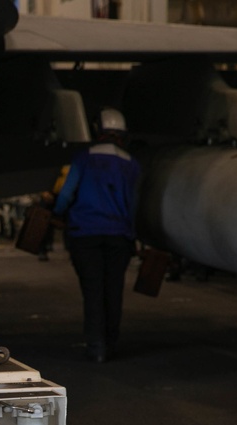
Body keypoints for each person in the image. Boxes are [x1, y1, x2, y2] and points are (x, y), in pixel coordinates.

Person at [53, 108, 141, 363]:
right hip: (119, 237)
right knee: (113, 291)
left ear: (97, 130)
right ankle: (111, 343)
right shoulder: (131, 164)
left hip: (85, 235)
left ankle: (96, 345)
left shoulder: (84, 158)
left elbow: (67, 194)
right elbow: (135, 204)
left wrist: (57, 213)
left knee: (93, 291)